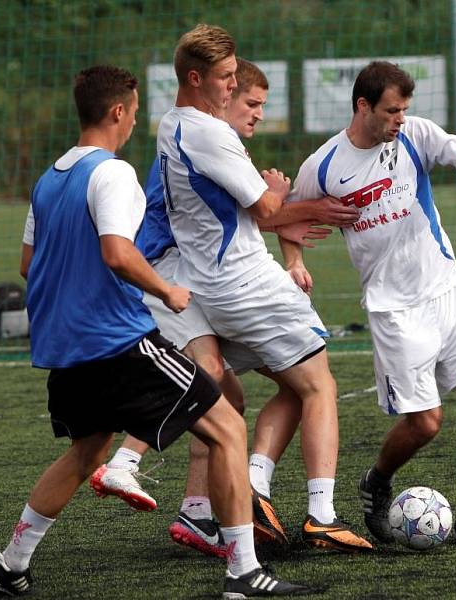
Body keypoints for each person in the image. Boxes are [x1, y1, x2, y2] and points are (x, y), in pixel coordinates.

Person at [0, 65, 309, 598]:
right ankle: (244, 573)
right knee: (226, 426)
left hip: (67, 350)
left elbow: (27, 263)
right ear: (117, 112)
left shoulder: (49, 179)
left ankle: (9, 564)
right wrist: (167, 291)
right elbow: (118, 252)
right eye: (131, 112)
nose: (134, 122)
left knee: (85, 453)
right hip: (117, 344)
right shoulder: (112, 174)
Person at [90, 58, 357, 557]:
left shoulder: (205, 144)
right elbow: (257, 214)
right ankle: (131, 461)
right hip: (166, 274)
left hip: (184, 278)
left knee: (222, 397)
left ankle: (198, 512)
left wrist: (286, 237)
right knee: (215, 378)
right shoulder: (204, 141)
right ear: (220, 101)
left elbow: (247, 221)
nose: (256, 113)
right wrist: (295, 209)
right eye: (249, 103)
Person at [283, 61, 456, 547]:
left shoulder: (414, 134)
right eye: (391, 110)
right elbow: (287, 216)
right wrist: (293, 261)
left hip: (448, 287)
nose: (400, 119)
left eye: (404, 109)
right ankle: (377, 482)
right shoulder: (324, 165)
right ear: (362, 106)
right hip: (395, 308)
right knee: (424, 423)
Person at [156, 24, 372, 554]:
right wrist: (310, 207)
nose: (232, 88)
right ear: (195, 77)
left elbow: (246, 212)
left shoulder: (172, 125)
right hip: (247, 283)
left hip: (213, 287)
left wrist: (278, 216)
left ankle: (252, 489)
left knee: (289, 388)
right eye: (227, 79)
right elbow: (267, 208)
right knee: (320, 385)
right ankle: (321, 514)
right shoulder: (210, 134)